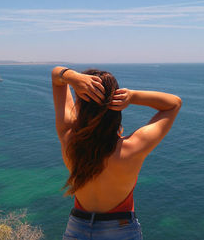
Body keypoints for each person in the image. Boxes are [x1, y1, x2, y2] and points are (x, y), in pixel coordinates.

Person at [52, 66, 182, 240]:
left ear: (81, 104)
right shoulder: (132, 148)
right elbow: (173, 103)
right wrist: (132, 96)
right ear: (115, 105)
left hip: (77, 229)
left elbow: (57, 77)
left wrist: (73, 78)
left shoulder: (68, 138)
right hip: (120, 230)